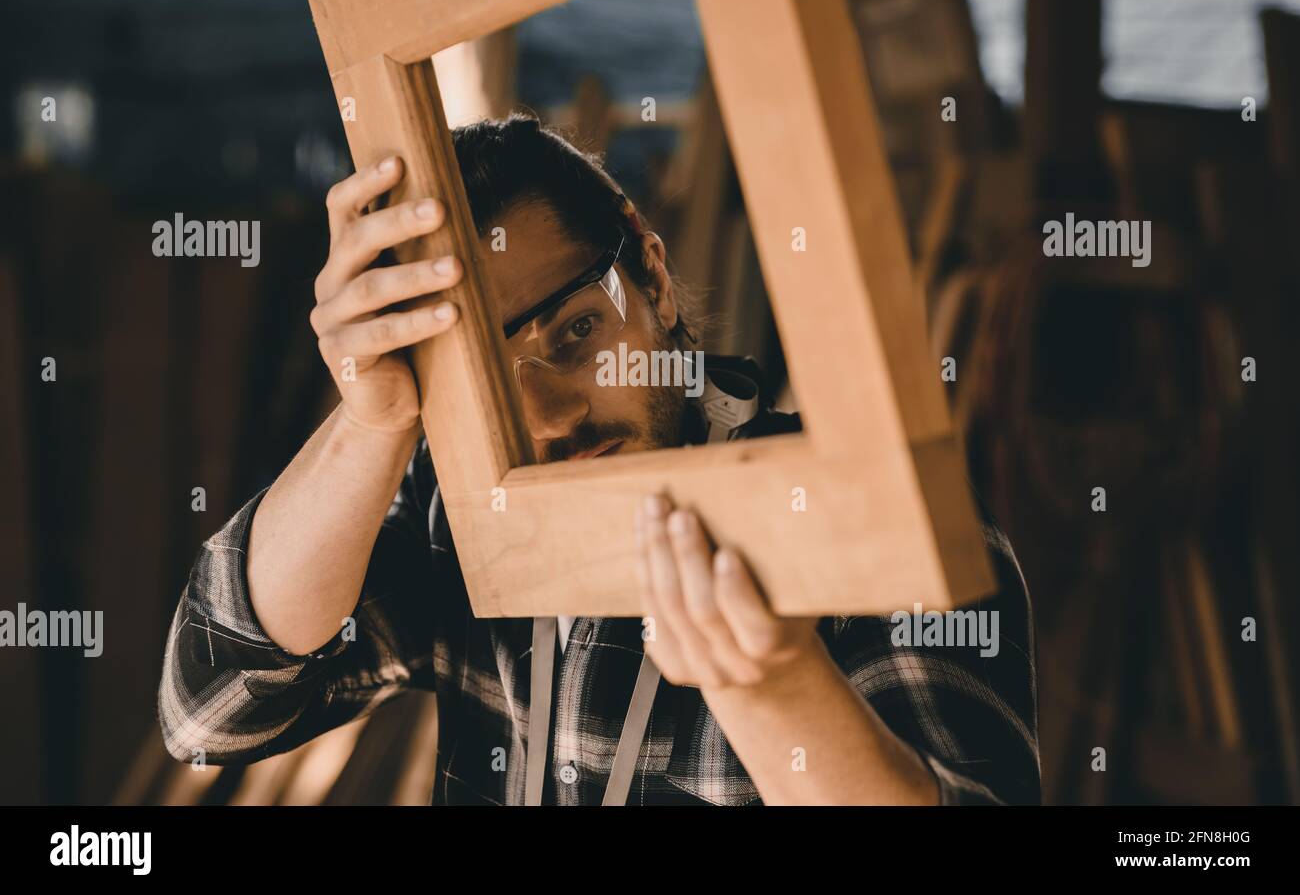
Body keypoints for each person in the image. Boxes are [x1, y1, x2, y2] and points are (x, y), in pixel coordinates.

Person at [157, 114, 1039, 805]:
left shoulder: (863, 525)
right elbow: (208, 712)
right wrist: (372, 427)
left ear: (651, 274)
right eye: (488, 387)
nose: (551, 418)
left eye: (576, 332)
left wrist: (777, 688)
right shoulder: (463, 510)